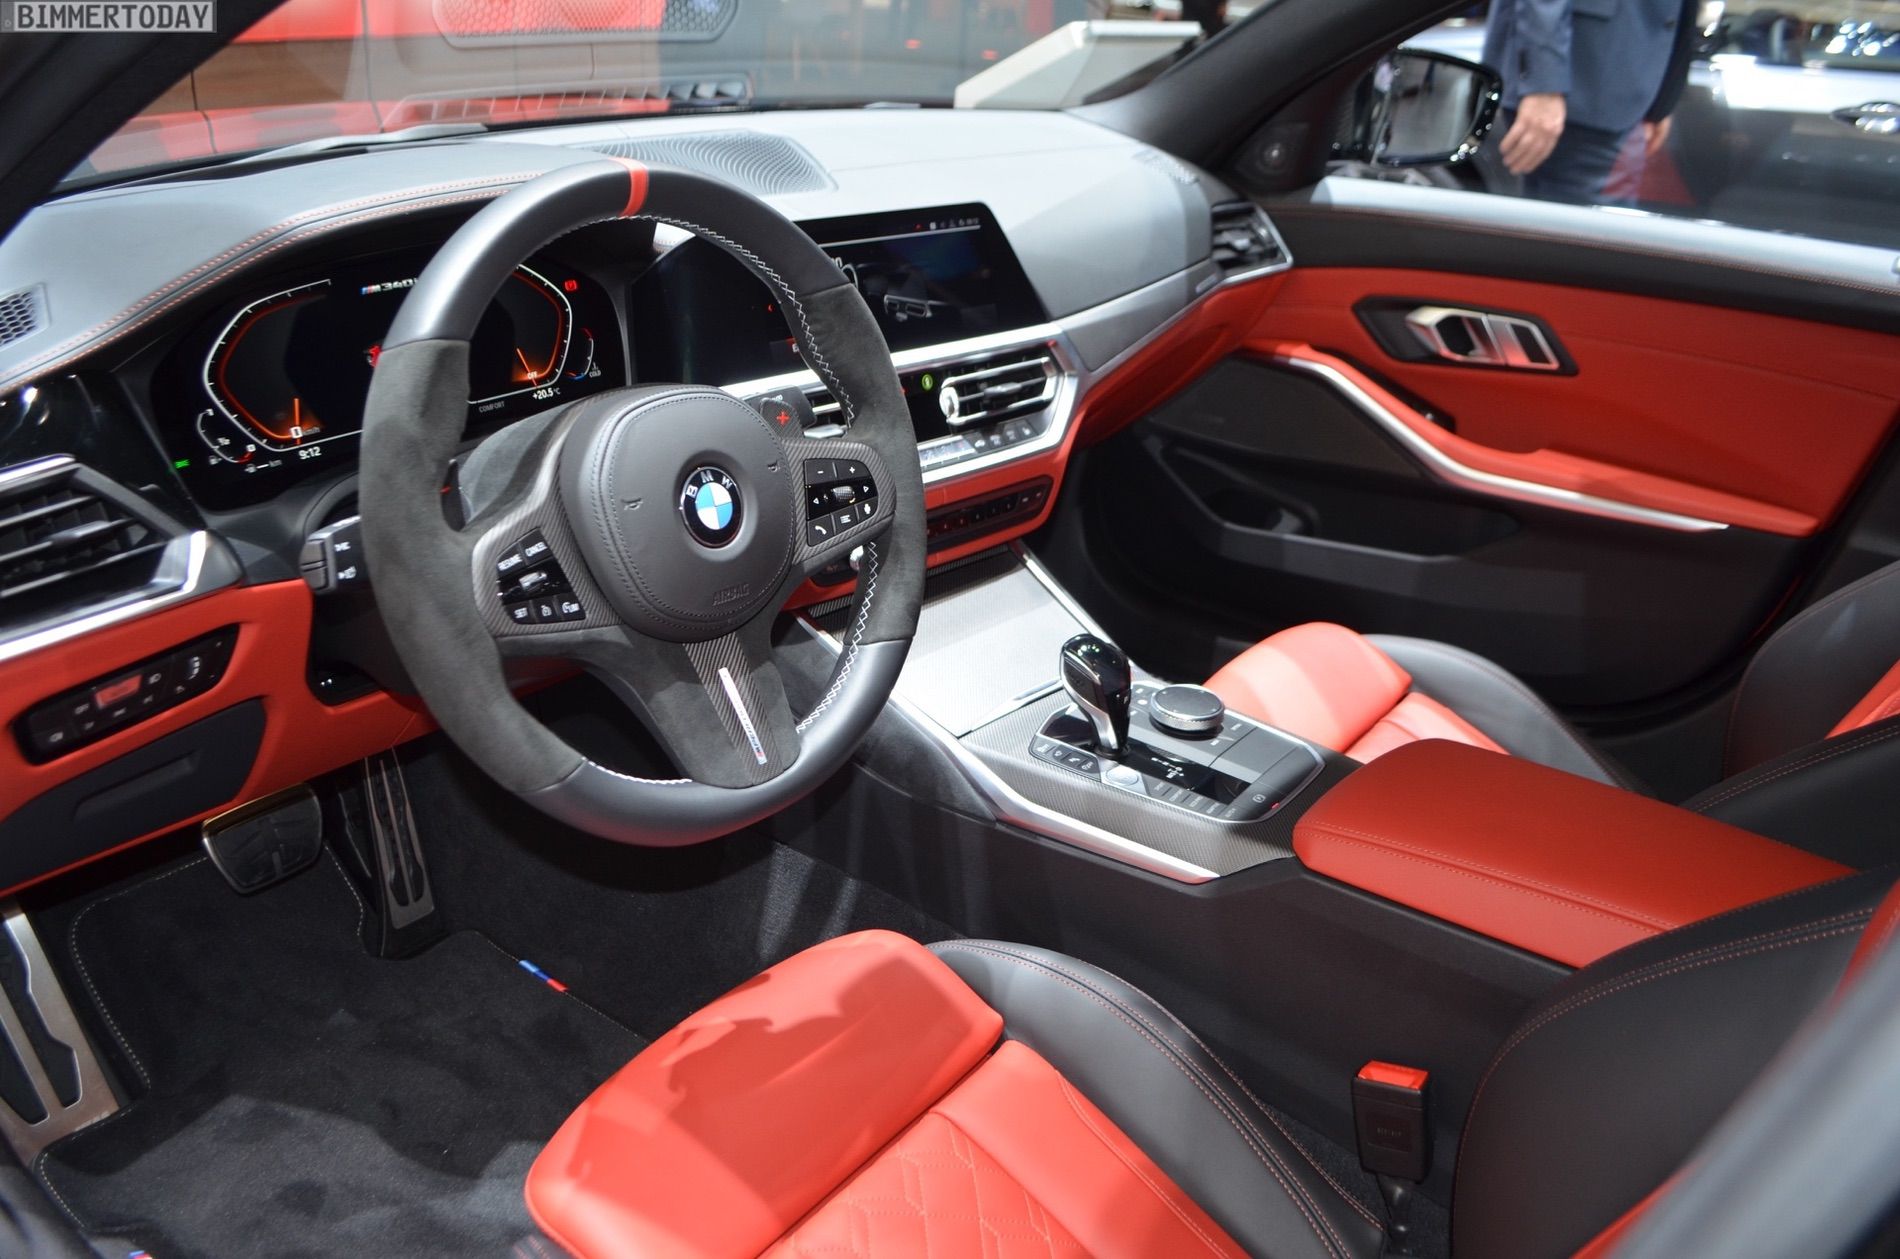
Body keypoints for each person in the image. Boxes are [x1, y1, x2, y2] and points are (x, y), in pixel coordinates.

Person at [1482, 0, 1696, 204]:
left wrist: (1665, 93)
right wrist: (1544, 83)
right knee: (1586, 224)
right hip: (1580, 79)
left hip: (1626, 76)